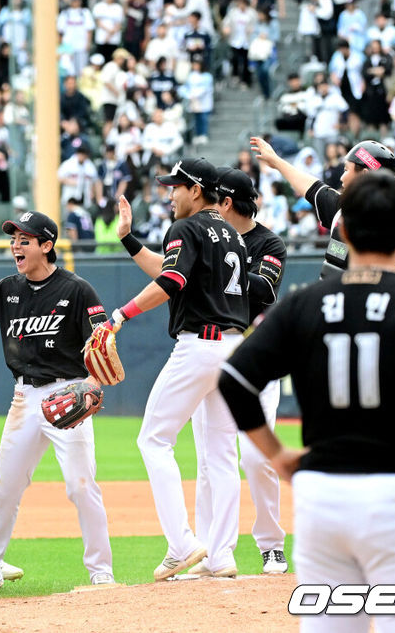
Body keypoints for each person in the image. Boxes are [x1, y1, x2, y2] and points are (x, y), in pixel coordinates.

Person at [218, 171, 395, 631]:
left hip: (322, 500)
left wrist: (278, 455)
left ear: (343, 231)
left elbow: (234, 379)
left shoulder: (303, 303)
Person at [0, 211, 116, 592]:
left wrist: (89, 384)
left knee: (80, 485)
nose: (16, 245)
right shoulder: (9, 288)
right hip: (24, 397)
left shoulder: (77, 289)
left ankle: (101, 571)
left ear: (47, 245)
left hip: (67, 392)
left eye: (25, 239)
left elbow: (102, 341)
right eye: (14, 239)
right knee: (6, 487)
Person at [113, 158, 249, 579]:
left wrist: (120, 314)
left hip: (200, 346)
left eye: (176, 187)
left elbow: (171, 282)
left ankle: (183, 543)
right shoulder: (232, 234)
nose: (169, 194)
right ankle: (221, 555)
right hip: (234, 348)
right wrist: (130, 241)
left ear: (196, 189)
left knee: (154, 440)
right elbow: (173, 272)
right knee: (223, 455)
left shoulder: (185, 228)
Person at [190, 169, 289, 576]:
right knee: (208, 460)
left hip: (258, 357)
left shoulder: (268, 242)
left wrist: (211, 270)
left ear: (226, 202)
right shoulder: (202, 236)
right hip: (211, 350)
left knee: (256, 456)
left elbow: (264, 290)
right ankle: (208, 549)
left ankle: (270, 544)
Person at [251, 136, 395, 280]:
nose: (341, 177)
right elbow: (312, 187)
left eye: (346, 170)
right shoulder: (344, 209)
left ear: (363, 176)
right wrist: (276, 161)